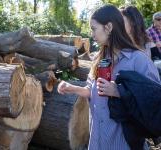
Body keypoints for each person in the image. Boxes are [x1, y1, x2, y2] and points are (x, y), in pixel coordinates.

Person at [57, 4, 160, 150]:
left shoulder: (139, 60)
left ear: (109, 27)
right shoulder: (99, 59)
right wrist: (71, 88)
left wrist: (119, 91)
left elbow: (154, 100)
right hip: (97, 141)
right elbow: (92, 89)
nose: (92, 35)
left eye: (94, 29)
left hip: (124, 144)